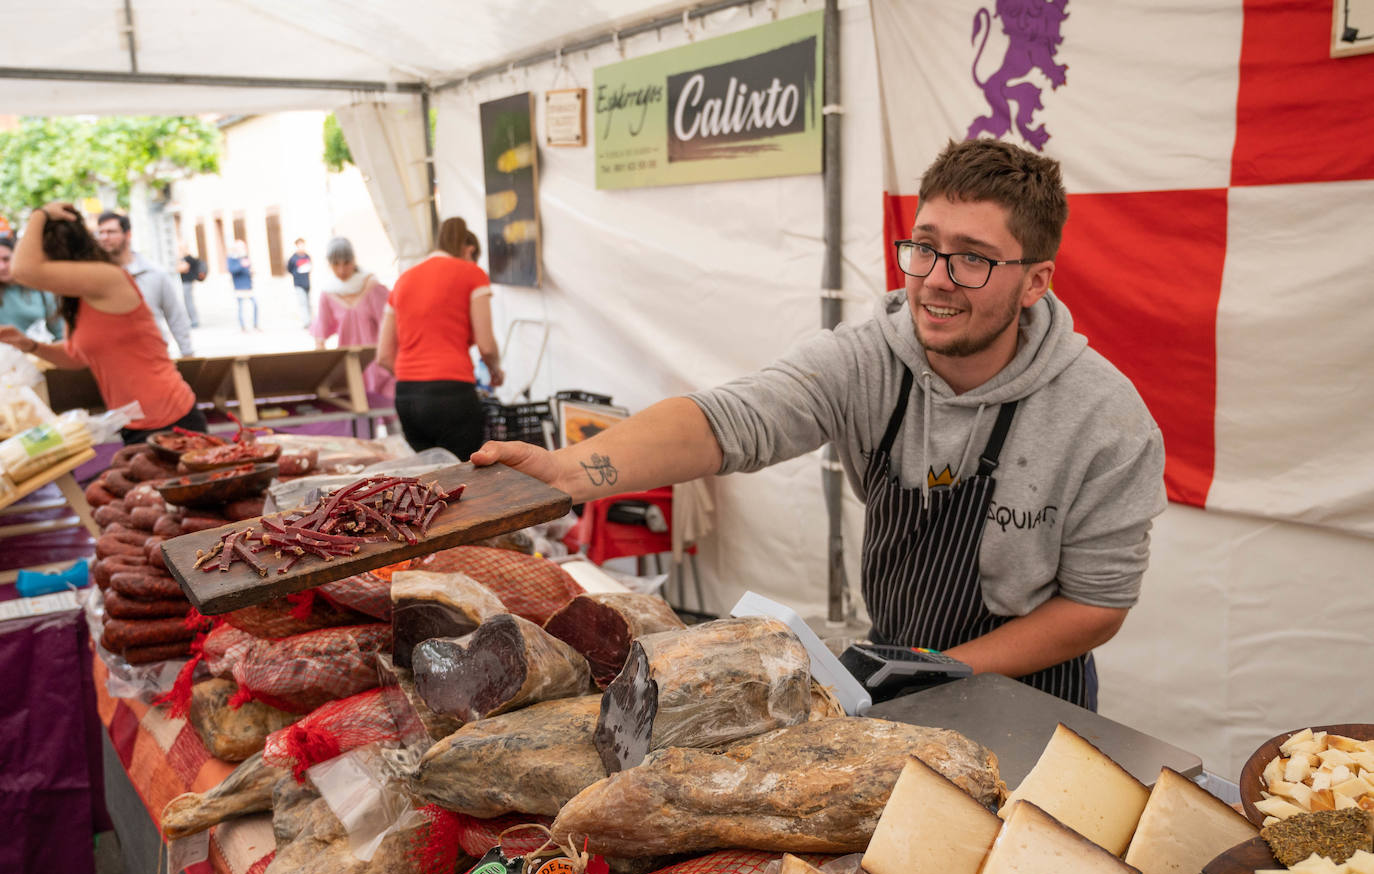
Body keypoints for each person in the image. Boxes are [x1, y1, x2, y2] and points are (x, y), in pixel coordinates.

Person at [474, 139, 1166, 709]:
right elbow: (734, 419)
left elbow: (1096, 605)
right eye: (924, 246)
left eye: (973, 259)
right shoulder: (869, 360)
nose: (936, 279)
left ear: (1036, 282)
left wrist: (951, 668)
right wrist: (569, 471)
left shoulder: (1103, 420)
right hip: (900, 669)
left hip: (1031, 697)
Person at [0, 202, 207, 443]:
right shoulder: (78, 298)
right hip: (132, 423)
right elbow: (76, 356)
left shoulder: (107, 277)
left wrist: (39, 213)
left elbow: (22, 270)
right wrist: (30, 345)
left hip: (172, 418)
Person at [378, 216, 504, 459]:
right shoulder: (472, 273)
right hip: (452, 394)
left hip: (407, 397)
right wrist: (495, 370)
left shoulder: (402, 280)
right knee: (462, 478)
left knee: (425, 484)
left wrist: (416, 379)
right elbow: (486, 345)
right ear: (469, 250)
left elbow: (384, 355)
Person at [95, 211, 194, 357]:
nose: (104, 237)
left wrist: (188, 354)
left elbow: (175, 317)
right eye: (101, 232)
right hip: (110, 361)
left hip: (152, 358)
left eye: (111, 232)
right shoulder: (93, 277)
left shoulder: (155, 273)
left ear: (127, 235)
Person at [312, 237, 393, 401]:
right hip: (349, 364)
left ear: (354, 261)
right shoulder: (328, 293)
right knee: (358, 413)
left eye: (346, 263)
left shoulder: (373, 287)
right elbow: (320, 332)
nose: (341, 270)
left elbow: (391, 325)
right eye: (335, 264)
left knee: (387, 409)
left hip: (377, 361)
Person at [0, 236, 63, 340]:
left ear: (18, 257)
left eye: (6, 259)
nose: (1, 267)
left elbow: (59, 331)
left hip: (36, 352)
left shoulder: (41, 289)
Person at [226, 240, 260, 332]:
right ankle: (243, 327)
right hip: (239, 286)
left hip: (248, 285)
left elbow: (248, 268)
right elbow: (232, 270)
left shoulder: (245, 257)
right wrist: (241, 265)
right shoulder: (232, 258)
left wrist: (251, 271)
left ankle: (255, 325)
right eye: (241, 247)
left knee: (255, 305)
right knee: (241, 308)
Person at [174, 241, 206, 328]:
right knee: (187, 301)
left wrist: (178, 266)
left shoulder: (188, 258)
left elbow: (181, 268)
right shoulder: (184, 258)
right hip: (185, 282)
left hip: (187, 282)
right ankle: (192, 320)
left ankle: (194, 320)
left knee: (188, 302)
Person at [286, 237, 313, 328]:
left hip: (307, 283)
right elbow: (289, 269)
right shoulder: (293, 258)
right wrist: (296, 274)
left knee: (308, 303)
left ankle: (310, 321)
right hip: (298, 283)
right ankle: (306, 322)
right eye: (299, 245)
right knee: (303, 303)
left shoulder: (307, 256)